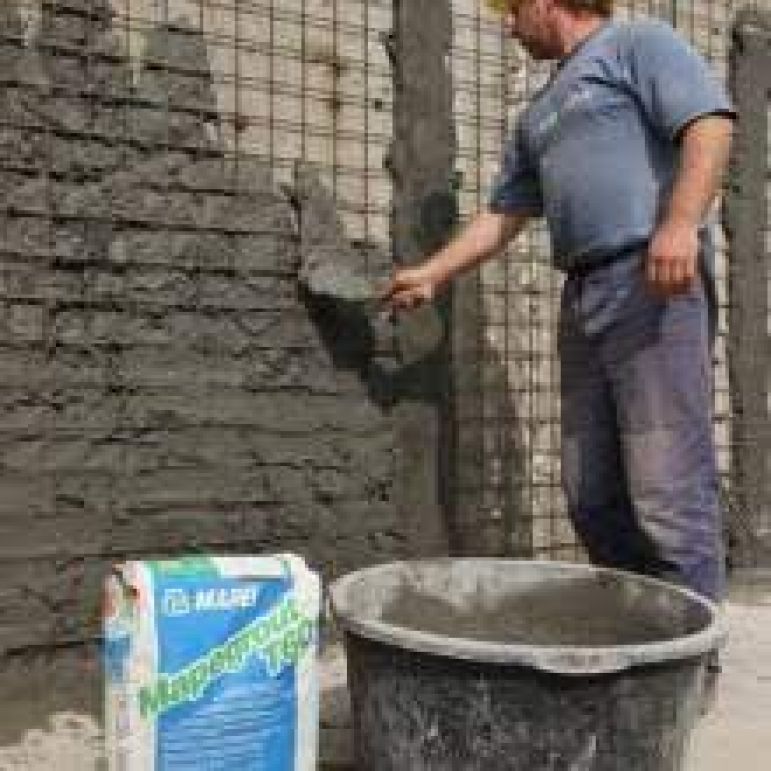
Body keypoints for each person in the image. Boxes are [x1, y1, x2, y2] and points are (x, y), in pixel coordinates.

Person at [382, 0, 735, 603]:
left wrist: (679, 223)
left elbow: (710, 124)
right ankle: (638, 629)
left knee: (668, 490)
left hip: (652, 279)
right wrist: (433, 274)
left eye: (512, 10)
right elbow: (504, 213)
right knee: (590, 493)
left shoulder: (636, 45)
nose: (508, 24)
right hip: (585, 294)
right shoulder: (538, 114)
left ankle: (693, 645)